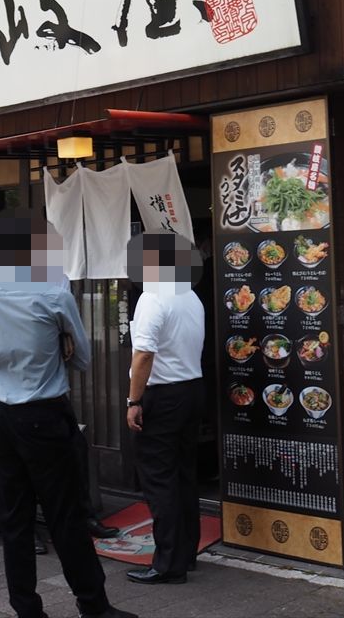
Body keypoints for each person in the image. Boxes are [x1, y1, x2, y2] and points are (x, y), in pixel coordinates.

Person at [0, 209, 136, 618]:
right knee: (66, 516)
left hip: (3, 416)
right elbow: (82, 358)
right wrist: (61, 341)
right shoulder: (53, 295)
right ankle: (94, 606)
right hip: (45, 415)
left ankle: (27, 609)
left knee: (15, 519)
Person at [124, 232, 205, 585]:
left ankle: (169, 564)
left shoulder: (153, 297)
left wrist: (134, 401)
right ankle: (186, 554)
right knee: (184, 474)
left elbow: (144, 354)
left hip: (163, 395)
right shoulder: (189, 295)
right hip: (192, 389)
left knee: (159, 479)